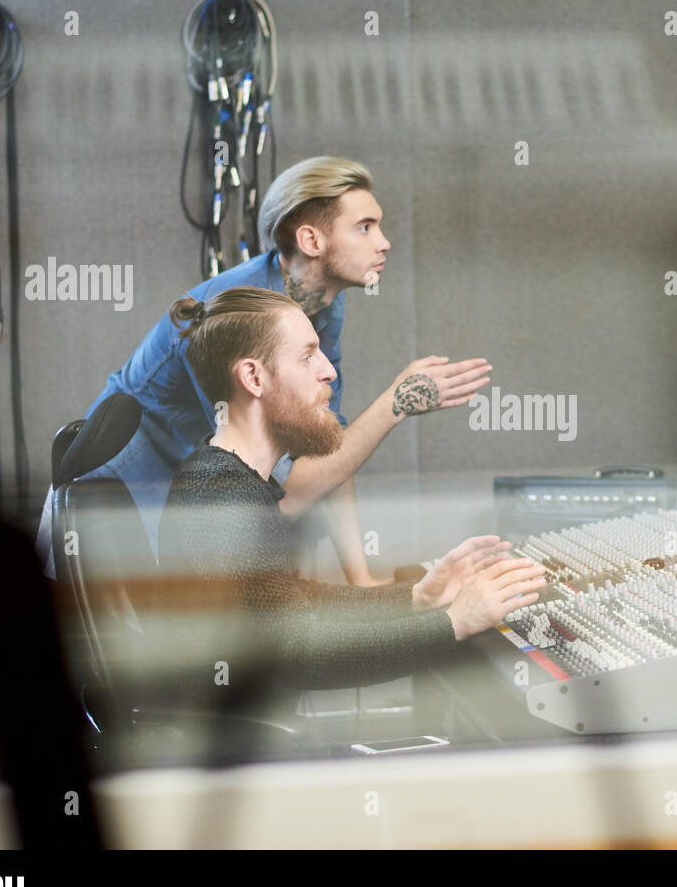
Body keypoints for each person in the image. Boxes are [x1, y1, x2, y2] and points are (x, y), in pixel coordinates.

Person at [36, 155, 491, 582]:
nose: (384, 242)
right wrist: (395, 404)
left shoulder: (324, 305)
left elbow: (329, 441)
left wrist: (362, 580)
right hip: (112, 511)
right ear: (312, 240)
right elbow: (286, 495)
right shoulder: (244, 315)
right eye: (365, 227)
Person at [155, 287, 545, 704]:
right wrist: (455, 622)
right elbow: (300, 654)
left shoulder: (231, 479)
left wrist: (416, 597)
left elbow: (294, 602)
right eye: (307, 356)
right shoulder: (223, 493)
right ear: (254, 378)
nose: (329, 371)